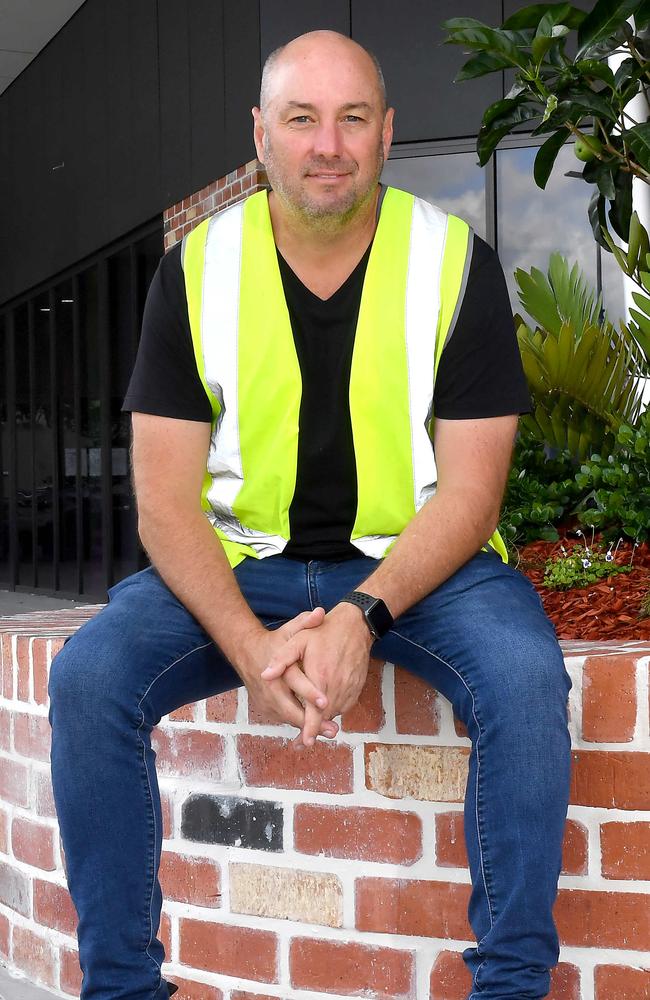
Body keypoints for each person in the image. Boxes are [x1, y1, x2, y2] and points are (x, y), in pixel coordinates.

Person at [48, 29, 571, 1000]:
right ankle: (121, 987)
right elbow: (163, 503)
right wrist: (250, 647)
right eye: (300, 119)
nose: (325, 143)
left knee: (523, 675)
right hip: (245, 561)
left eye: (351, 118)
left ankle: (509, 987)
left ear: (385, 133)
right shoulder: (194, 269)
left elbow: (469, 491)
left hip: (420, 569)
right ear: (261, 135)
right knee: (87, 680)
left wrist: (360, 615)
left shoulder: (453, 259)